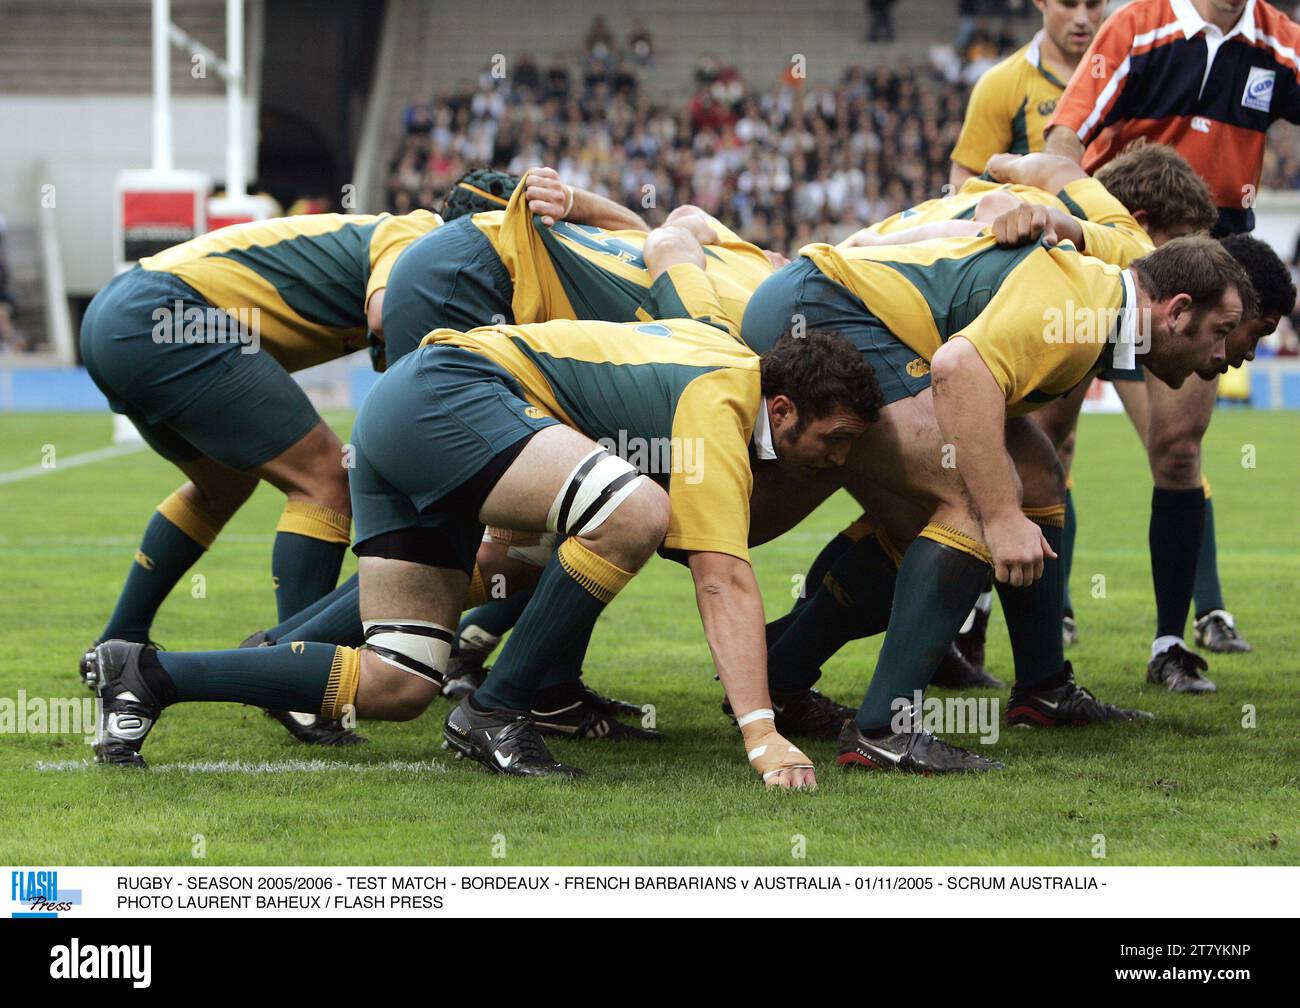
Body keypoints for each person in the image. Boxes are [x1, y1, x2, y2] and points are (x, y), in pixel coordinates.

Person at [84, 218, 881, 788]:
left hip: (411, 412)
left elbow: (670, 241)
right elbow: (723, 579)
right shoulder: (723, 402)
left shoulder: (714, 329)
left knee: (400, 682)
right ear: (782, 410)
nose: (841, 460)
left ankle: (149, 673)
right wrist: (763, 737)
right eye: (838, 440)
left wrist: (686, 224)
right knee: (635, 510)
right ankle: (499, 707)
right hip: (450, 393)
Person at [741, 223, 1254, 773]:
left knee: (1036, 476)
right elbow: (959, 369)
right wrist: (1003, 517)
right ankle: (882, 730)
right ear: (1176, 311)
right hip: (821, 308)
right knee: (975, 504)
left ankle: (1043, 688)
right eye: (1223, 332)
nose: (1226, 356)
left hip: (827, 300)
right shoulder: (1085, 308)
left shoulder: (1099, 301)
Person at [78, 206, 446, 745]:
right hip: (163, 312)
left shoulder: (397, 245)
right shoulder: (420, 232)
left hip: (121, 315)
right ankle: (297, 679)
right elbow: (386, 318)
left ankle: (118, 641)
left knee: (221, 485)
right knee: (327, 477)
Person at [1044, 0, 1300, 686]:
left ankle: (1168, 646)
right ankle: (1010, 637)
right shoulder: (1138, 25)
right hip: (1107, 264)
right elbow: (1065, 132)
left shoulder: (1281, 44)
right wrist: (1070, 216)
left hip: (1207, 277)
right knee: (1046, 442)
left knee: (1180, 449)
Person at [950, 0, 1106, 189]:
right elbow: (962, 183)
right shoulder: (1001, 82)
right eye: (1068, 4)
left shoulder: (1132, 74)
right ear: (1041, 2)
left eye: (1092, 5)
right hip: (1043, 216)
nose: (1081, 18)